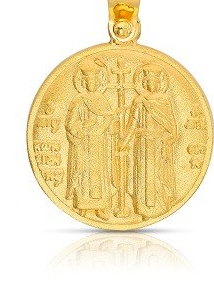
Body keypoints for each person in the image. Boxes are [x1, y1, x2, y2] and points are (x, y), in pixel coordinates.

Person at [122, 64, 177, 219]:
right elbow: (132, 124)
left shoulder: (164, 100)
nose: (151, 85)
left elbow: (171, 126)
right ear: (144, 83)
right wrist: (124, 142)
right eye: (148, 82)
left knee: (157, 174)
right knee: (142, 175)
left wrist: (167, 138)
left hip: (158, 145)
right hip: (142, 145)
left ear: (159, 83)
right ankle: (143, 211)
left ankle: (160, 207)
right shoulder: (139, 101)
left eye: (154, 82)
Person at [65, 60, 113, 220]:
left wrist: (100, 128)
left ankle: (100, 207)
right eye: (89, 81)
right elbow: (70, 123)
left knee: (99, 173)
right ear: (84, 82)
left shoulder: (102, 99)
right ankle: (83, 207)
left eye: (94, 80)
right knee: (83, 172)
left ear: (98, 82)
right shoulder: (78, 100)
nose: (92, 84)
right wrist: (82, 127)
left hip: (98, 141)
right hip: (83, 142)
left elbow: (108, 118)